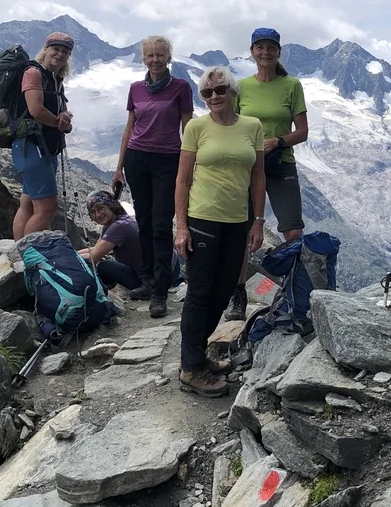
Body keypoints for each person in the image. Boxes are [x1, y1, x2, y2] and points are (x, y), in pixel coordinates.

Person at [174, 66, 266, 397]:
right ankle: (191, 368)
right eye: (207, 93)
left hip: (237, 220)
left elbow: (258, 177)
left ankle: (195, 358)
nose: (214, 97)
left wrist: (258, 220)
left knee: (224, 288)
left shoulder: (252, 127)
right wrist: (181, 225)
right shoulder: (197, 128)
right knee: (200, 292)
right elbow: (183, 179)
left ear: (233, 92)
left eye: (220, 90)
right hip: (202, 219)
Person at [223, 27, 308, 321]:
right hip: (247, 166)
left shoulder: (291, 85)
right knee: (242, 232)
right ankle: (238, 295)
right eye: (260, 47)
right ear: (252, 51)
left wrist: (278, 141)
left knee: (293, 231)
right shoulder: (241, 87)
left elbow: (303, 132)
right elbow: (229, 124)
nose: (265, 52)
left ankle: (294, 292)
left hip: (280, 162)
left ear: (278, 52)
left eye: (271, 47)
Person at [112, 35, 193, 318]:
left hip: (167, 160)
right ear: (143, 59)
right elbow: (129, 128)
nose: (155, 60)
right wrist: (119, 166)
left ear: (169, 57)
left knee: (161, 223)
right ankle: (147, 280)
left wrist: (189, 164)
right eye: (150, 55)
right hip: (137, 158)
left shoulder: (181, 87)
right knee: (144, 221)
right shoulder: (135, 89)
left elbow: (188, 128)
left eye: (160, 54)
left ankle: (161, 290)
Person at [11, 32, 73, 240]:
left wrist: (64, 115)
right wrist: (59, 122)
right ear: (45, 49)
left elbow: (59, 108)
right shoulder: (34, 73)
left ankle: (18, 253)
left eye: (65, 51)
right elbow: (36, 110)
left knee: (28, 203)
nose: (60, 54)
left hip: (42, 148)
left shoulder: (55, 80)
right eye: (56, 49)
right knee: (47, 206)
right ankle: (30, 257)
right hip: (33, 146)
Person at [78, 190, 178, 292]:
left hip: (156, 278)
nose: (98, 215)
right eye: (93, 212)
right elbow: (96, 249)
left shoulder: (118, 227)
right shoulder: (120, 221)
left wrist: (67, 258)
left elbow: (93, 258)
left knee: (104, 267)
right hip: (171, 268)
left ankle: (102, 291)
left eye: (101, 209)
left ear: (111, 206)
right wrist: (73, 254)